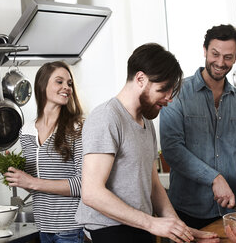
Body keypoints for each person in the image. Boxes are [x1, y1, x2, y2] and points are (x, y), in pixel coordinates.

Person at [75, 43, 219, 243]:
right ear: (141, 79)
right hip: (108, 232)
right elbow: (91, 193)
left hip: (138, 228)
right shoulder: (107, 117)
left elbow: (153, 185)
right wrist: (152, 223)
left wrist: (181, 229)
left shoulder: (145, 123)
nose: (169, 98)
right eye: (163, 90)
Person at [160, 24, 236, 229]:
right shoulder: (177, 93)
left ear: (235, 58)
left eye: (228, 57)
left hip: (229, 212)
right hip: (186, 213)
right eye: (215, 54)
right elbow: (172, 149)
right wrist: (214, 178)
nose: (220, 62)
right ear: (205, 50)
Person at [3, 61, 85, 243]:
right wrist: (15, 176)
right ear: (43, 86)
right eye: (59, 82)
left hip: (69, 228)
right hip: (43, 227)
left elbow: (82, 184)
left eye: (69, 83)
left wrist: (32, 182)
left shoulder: (77, 128)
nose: (66, 87)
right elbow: (35, 184)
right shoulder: (26, 132)